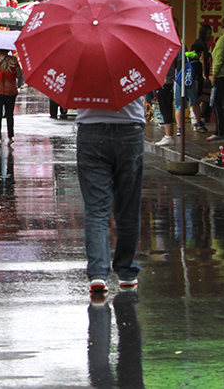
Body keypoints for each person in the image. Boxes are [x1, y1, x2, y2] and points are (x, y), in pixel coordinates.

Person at [76, 96, 145, 295]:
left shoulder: (82, 64)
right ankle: (126, 272)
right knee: (128, 205)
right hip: (130, 129)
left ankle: (98, 273)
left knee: (97, 209)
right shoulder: (136, 63)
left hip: (91, 130)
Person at [153, 52, 178, 146]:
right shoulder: (170, 53)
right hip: (167, 82)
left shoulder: (164, 54)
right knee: (166, 109)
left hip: (164, 82)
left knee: (165, 109)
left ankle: (169, 136)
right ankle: (168, 135)